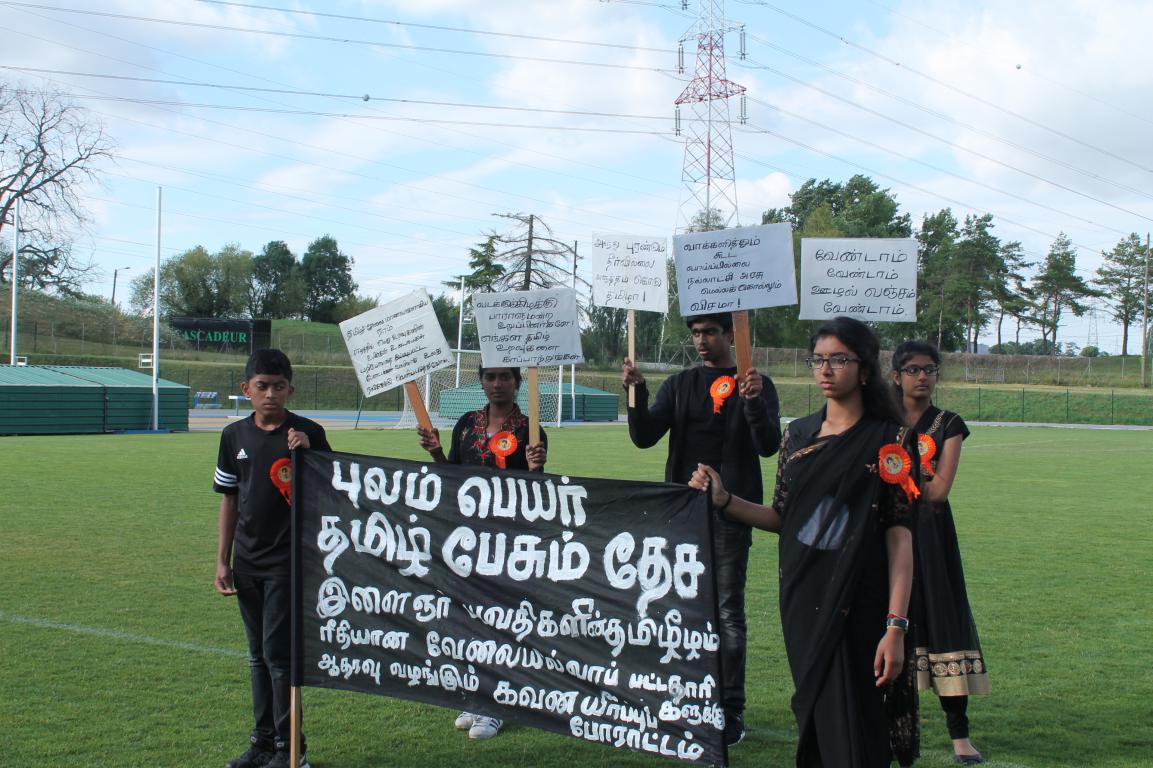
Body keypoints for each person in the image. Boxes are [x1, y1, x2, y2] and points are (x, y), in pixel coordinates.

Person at [689, 316, 919, 767]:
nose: (825, 370)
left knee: (858, 722)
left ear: (865, 368)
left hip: (861, 600)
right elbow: (782, 517)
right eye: (818, 359)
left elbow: (900, 538)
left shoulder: (890, 441)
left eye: (839, 359)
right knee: (817, 716)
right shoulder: (797, 435)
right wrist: (724, 499)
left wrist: (896, 627)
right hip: (803, 598)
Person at [621, 312, 781, 747]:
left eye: (710, 332)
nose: (701, 340)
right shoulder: (680, 384)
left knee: (726, 612)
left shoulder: (756, 383)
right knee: (678, 610)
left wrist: (752, 401)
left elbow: (768, 445)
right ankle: (685, 699)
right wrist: (636, 390)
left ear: (731, 334)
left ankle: (729, 710)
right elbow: (644, 436)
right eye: (695, 333)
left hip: (732, 513)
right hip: (681, 516)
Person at [214, 349, 331, 768]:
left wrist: (308, 456)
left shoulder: (308, 432)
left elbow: (331, 491)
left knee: (279, 658)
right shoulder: (233, 436)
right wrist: (223, 560)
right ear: (246, 389)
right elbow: (230, 499)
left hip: (289, 563)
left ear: (290, 390)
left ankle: (291, 749)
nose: (270, 394)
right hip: (247, 562)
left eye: (278, 387)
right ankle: (262, 744)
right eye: (262, 386)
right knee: (256, 656)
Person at [417, 365, 547, 740]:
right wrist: (437, 453)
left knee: (502, 621)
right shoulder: (465, 425)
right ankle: (477, 697)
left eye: (505, 377)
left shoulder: (531, 430)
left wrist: (536, 469)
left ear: (517, 382)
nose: (497, 384)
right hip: (469, 539)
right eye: (490, 377)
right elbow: (452, 479)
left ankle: (497, 705)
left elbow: (537, 494)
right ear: (482, 381)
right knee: (472, 619)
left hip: (509, 542)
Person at [892, 341, 989, 766]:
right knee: (886, 623)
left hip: (930, 537)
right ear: (896, 375)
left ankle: (959, 735)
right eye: (913, 369)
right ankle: (881, 728)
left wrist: (899, 477)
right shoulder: (880, 421)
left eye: (929, 369)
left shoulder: (948, 424)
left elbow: (939, 491)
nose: (922, 377)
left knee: (941, 623)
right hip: (883, 531)